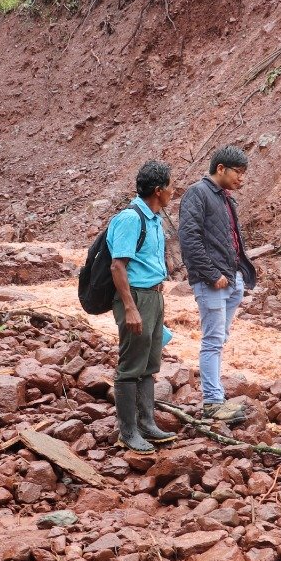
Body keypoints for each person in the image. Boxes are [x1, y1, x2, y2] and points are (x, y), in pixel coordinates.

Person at [178, 146, 257, 419]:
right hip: (213, 281)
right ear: (220, 168)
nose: (242, 179)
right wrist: (213, 275)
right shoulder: (197, 193)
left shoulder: (225, 198)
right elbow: (189, 240)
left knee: (219, 339)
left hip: (231, 279)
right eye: (239, 172)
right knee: (212, 341)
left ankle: (216, 396)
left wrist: (239, 275)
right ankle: (213, 402)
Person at [108, 160, 179, 453]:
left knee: (149, 364)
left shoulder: (154, 218)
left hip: (153, 295)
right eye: (171, 187)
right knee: (131, 366)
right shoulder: (130, 218)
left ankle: (147, 423)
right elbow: (117, 266)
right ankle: (127, 431)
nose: (173, 191)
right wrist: (130, 307)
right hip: (135, 297)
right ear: (159, 190)